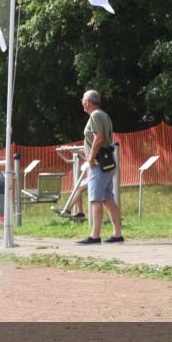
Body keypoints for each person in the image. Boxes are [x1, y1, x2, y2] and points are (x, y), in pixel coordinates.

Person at [75, 90, 124, 245]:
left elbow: (99, 138)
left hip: (97, 164)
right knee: (108, 198)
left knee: (96, 199)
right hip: (107, 161)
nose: (82, 102)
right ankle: (117, 234)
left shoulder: (95, 115)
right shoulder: (104, 115)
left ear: (88, 102)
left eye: (83, 99)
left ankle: (95, 236)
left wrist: (90, 158)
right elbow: (103, 139)